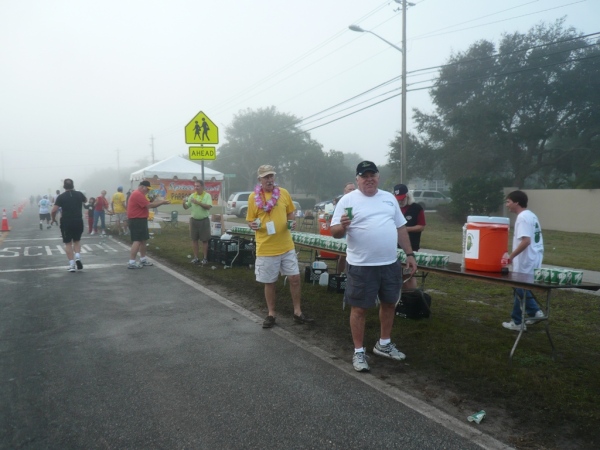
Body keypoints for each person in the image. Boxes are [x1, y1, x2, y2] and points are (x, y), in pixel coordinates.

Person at [330, 161, 417, 373]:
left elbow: (400, 228)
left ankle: (384, 343)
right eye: (364, 176)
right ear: (357, 179)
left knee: (389, 303)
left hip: (389, 263)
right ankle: (359, 351)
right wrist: (343, 226)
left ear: (378, 177)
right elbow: (335, 232)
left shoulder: (388, 198)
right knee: (359, 308)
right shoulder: (347, 200)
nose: (369, 179)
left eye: (373, 175)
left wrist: (409, 254)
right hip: (361, 265)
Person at [246, 164, 314, 329]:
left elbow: (290, 212)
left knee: (295, 278)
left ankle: (297, 312)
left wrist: (292, 221)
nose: (269, 180)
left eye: (271, 176)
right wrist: (252, 225)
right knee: (270, 282)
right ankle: (271, 314)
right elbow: (250, 219)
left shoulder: (283, 193)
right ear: (260, 179)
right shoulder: (253, 197)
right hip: (266, 247)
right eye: (266, 177)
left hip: (286, 245)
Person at [502, 190, 545, 331]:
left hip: (527, 259)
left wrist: (511, 256)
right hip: (534, 256)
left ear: (517, 202)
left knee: (519, 286)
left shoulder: (522, 218)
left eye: (508, 201)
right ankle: (528, 315)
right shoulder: (531, 215)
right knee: (520, 287)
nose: (507, 205)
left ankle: (527, 316)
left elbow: (526, 241)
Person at [126, 180, 170, 269]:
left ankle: (143, 259)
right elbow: (149, 205)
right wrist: (162, 202)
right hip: (136, 220)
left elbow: (147, 203)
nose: (148, 191)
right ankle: (132, 262)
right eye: (147, 189)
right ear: (142, 187)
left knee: (143, 240)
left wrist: (152, 200)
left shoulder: (139, 194)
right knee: (137, 240)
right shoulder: (137, 194)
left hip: (140, 219)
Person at [393, 184, 426, 290]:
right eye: (398, 199)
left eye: (402, 199)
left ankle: (410, 294)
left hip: (411, 245)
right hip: (394, 246)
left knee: (407, 273)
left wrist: (405, 229)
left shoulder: (416, 208)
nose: (400, 201)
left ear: (408, 196)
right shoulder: (394, 208)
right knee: (395, 273)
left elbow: (421, 226)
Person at [51, 179, 87, 272]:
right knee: (77, 240)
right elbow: (85, 200)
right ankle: (78, 256)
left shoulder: (61, 197)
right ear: (73, 185)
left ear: (64, 187)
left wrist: (53, 219)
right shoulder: (79, 194)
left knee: (68, 243)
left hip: (66, 221)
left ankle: (72, 264)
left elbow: (54, 210)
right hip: (78, 220)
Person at [182, 180, 212, 264]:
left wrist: (198, 203)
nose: (196, 187)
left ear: (202, 187)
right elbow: (186, 207)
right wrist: (183, 203)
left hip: (204, 220)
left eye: (198, 186)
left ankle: (205, 258)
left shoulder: (207, 195)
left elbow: (208, 207)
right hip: (194, 220)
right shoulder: (192, 195)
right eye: (195, 186)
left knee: (204, 240)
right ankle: (196, 258)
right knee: (194, 239)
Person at [336, 182, 356, 274]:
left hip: (356, 234)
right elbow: (335, 220)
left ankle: (349, 276)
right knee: (343, 256)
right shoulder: (342, 202)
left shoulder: (359, 201)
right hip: (343, 234)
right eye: (350, 189)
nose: (352, 191)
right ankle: (339, 275)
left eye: (353, 189)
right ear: (345, 191)